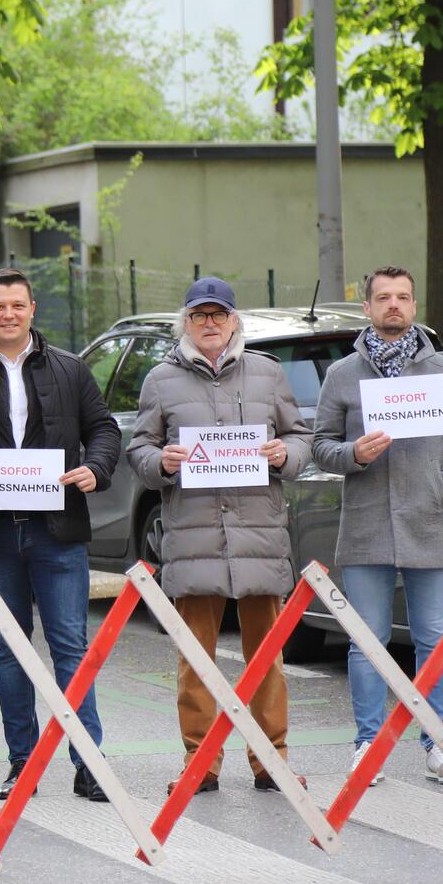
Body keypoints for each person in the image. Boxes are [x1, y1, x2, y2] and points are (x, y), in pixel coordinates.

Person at [0, 267, 123, 802]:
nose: (9, 314)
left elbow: (103, 429)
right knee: (9, 651)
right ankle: (22, 763)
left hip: (58, 529)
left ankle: (88, 761)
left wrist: (96, 469)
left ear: (33, 310)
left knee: (70, 648)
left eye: (18, 305)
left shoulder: (71, 369)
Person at [128, 277, 313, 793]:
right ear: (185, 323)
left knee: (267, 658)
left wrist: (286, 455)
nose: (209, 323)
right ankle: (201, 763)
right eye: (199, 315)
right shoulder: (161, 380)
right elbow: (139, 451)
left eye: (218, 314)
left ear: (235, 321)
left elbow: (301, 437)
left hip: (258, 533)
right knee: (194, 658)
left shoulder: (268, 374)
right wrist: (160, 462)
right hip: (193, 535)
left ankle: (270, 760)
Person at [313, 265, 443, 785]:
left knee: (434, 637)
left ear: (414, 307)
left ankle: (439, 744)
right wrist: (354, 454)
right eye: (383, 297)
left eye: (403, 297)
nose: (394, 305)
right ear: (366, 307)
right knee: (367, 639)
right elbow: (320, 444)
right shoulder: (342, 375)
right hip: (366, 523)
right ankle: (367, 744)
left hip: (428, 520)